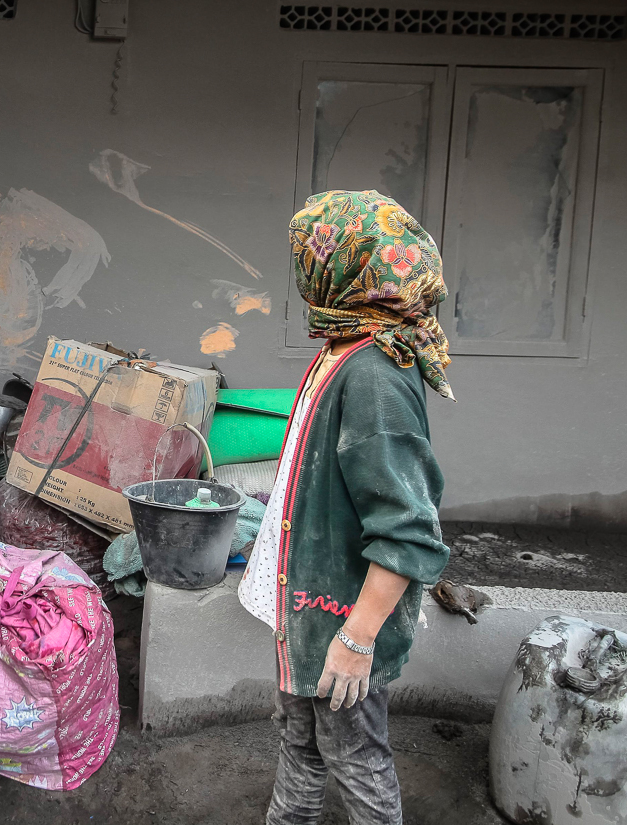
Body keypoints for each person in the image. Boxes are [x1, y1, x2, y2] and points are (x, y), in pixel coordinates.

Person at [238, 190, 453, 825]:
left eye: (311, 258)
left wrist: (356, 640)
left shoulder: (375, 376)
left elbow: (409, 532)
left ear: (347, 269)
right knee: (302, 745)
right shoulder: (344, 345)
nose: (302, 271)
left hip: (340, 620)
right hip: (310, 612)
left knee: (356, 759)